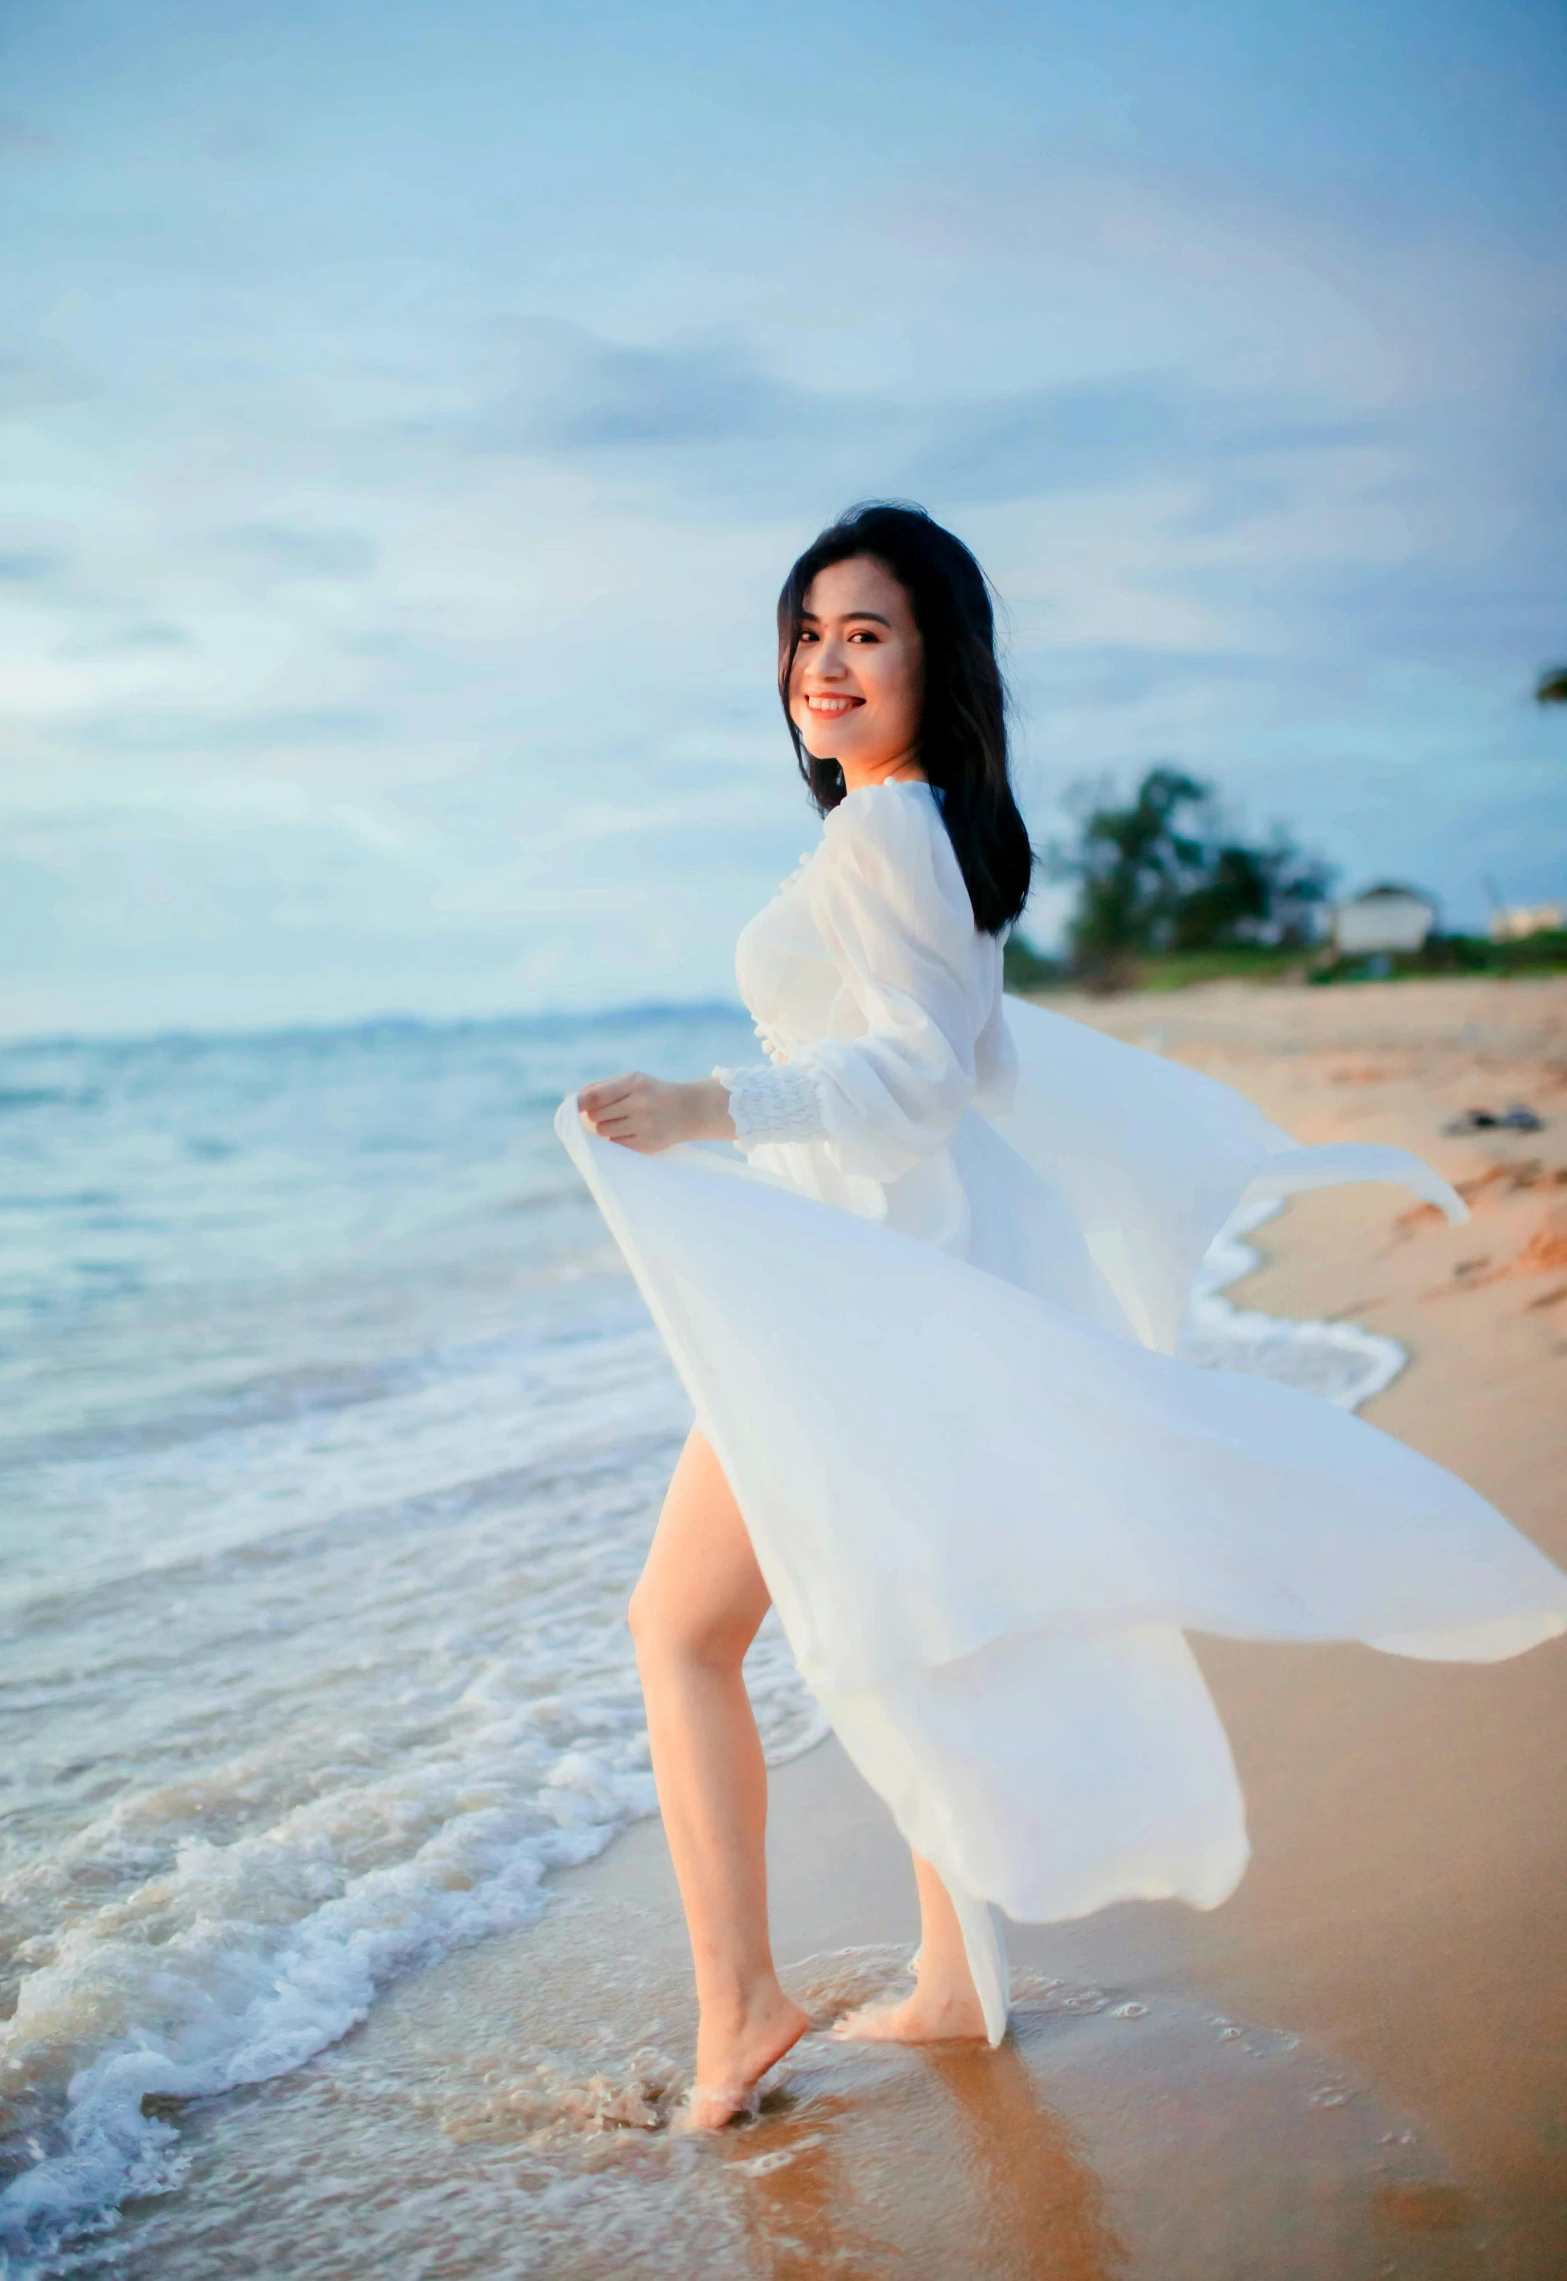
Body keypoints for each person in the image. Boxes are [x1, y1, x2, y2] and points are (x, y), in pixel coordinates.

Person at [561, 502, 1567, 2130]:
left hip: (853, 1294)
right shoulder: (922, 824)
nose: (824, 662)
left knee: (678, 1634)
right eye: (808, 632)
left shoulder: (887, 832)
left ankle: (741, 2003)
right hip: (878, 1282)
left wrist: (703, 1102)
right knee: (909, 1610)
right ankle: (953, 1978)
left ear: (932, 660)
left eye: (864, 633)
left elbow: (917, 1077)